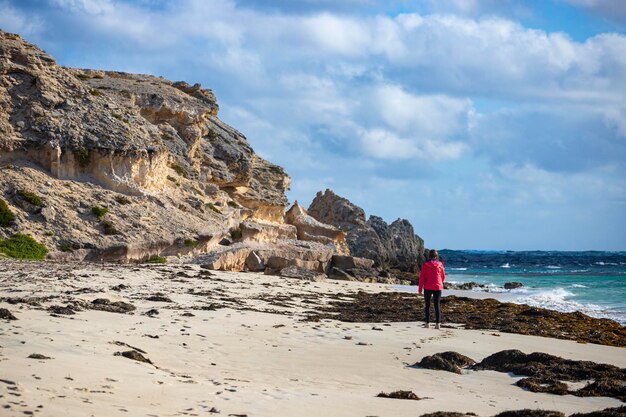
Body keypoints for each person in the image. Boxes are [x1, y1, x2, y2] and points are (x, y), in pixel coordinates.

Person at [418, 249, 445, 329]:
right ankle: (438, 324)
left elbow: (422, 278)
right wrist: (440, 283)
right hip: (438, 287)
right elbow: (443, 276)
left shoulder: (425, 265)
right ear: (436, 256)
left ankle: (427, 323)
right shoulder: (440, 265)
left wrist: (420, 289)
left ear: (429, 256)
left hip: (428, 287)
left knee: (427, 305)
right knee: (437, 305)